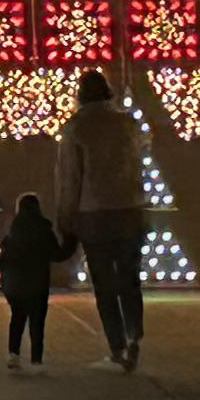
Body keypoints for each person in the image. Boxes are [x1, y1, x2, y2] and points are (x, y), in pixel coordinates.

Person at [57, 71, 152, 370]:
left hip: (95, 214)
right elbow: (141, 158)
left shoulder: (76, 129)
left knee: (104, 282)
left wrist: (66, 217)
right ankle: (134, 336)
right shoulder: (128, 124)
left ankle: (116, 348)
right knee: (129, 278)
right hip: (131, 210)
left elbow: (70, 178)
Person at [0, 193, 63, 368]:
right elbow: (57, 254)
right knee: (37, 321)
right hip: (38, 284)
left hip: (15, 285)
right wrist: (72, 241)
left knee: (17, 318)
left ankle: (13, 354)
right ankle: (36, 358)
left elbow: (2, 260)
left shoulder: (13, 232)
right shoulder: (44, 230)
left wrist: (5, 282)